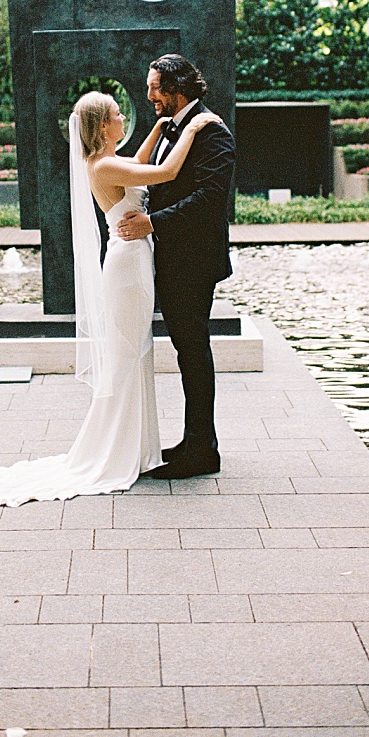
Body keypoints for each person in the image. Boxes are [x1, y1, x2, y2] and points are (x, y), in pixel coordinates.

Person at [0, 90, 222, 508]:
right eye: (118, 114)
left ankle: (134, 447)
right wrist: (192, 128)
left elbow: (139, 166)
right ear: (104, 126)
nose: (125, 118)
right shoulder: (103, 164)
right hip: (128, 266)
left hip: (133, 260)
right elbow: (163, 172)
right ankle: (115, 450)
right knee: (129, 353)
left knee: (135, 352)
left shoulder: (106, 162)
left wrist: (161, 128)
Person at [113, 54, 237, 479]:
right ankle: (194, 441)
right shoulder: (173, 127)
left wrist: (152, 222)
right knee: (188, 352)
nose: (148, 95)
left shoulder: (212, 132)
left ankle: (204, 451)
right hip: (172, 257)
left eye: (154, 88)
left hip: (194, 261)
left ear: (177, 89)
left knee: (194, 352)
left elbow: (208, 200)